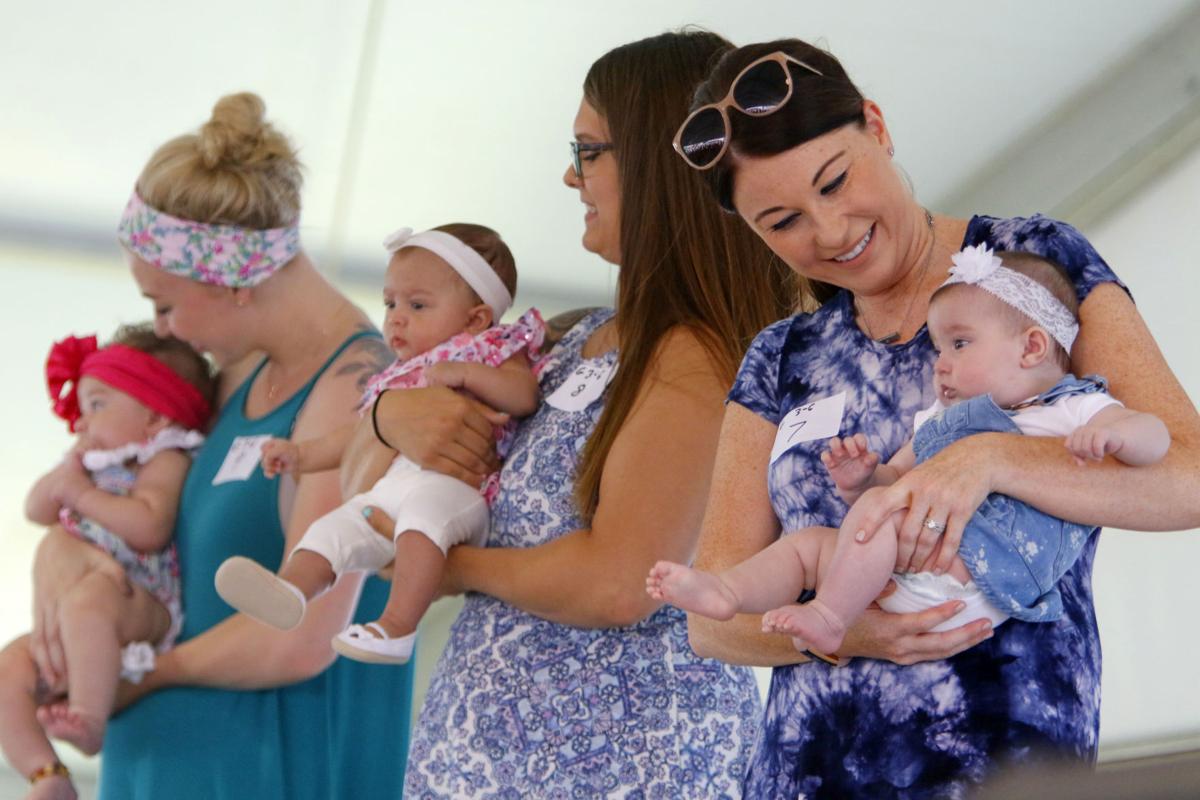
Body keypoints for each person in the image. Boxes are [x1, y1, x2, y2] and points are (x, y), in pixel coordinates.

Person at [672, 38, 1200, 796]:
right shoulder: (780, 356)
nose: (827, 232)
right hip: (802, 773)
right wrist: (844, 632)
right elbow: (711, 620)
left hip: (999, 761)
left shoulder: (1027, 266)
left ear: (878, 128)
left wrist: (988, 460)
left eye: (835, 182)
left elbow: (1188, 475)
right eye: (782, 221)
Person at [353, 30, 798, 797]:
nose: (569, 175)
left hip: (620, 769)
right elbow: (367, 491)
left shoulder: (701, 357)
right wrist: (389, 418)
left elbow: (621, 582)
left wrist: (441, 564)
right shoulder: (574, 336)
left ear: (660, 167)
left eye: (589, 150)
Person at [26, 93, 414, 799]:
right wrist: (62, 559)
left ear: (233, 279)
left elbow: (301, 636)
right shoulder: (238, 371)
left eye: (164, 304)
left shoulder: (355, 390)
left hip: (267, 765)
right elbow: (152, 530)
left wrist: (143, 674)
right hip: (168, 763)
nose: (162, 331)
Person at [647, 246, 1170, 656]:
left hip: (984, 577)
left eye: (959, 345)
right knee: (809, 545)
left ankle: (829, 618)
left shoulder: (1069, 408)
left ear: (1031, 347)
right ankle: (728, 593)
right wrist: (862, 482)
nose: (940, 364)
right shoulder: (943, 421)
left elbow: (1157, 441)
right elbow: (896, 478)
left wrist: (1116, 435)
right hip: (906, 580)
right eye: (939, 349)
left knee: (880, 515)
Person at [215, 223, 542, 665]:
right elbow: (358, 434)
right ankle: (291, 589)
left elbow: (525, 397)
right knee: (331, 529)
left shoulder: (492, 350)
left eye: (417, 304)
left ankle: (397, 627)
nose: (396, 317)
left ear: (476, 318)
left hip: (454, 490)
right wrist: (302, 455)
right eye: (390, 303)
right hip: (389, 490)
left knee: (423, 521)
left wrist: (468, 375)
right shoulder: (398, 374)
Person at [0, 325, 212, 800]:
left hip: (140, 597)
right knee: (8, 668)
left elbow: (148, 527)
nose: (81, 421)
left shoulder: (163, 458)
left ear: (155, 418)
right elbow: (36, 509)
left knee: (88, 602)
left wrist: (80, 494)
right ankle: (45, 773)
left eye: (97, 405)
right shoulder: (88, 462)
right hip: (83, 605)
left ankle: (90, 722)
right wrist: (65, 476)